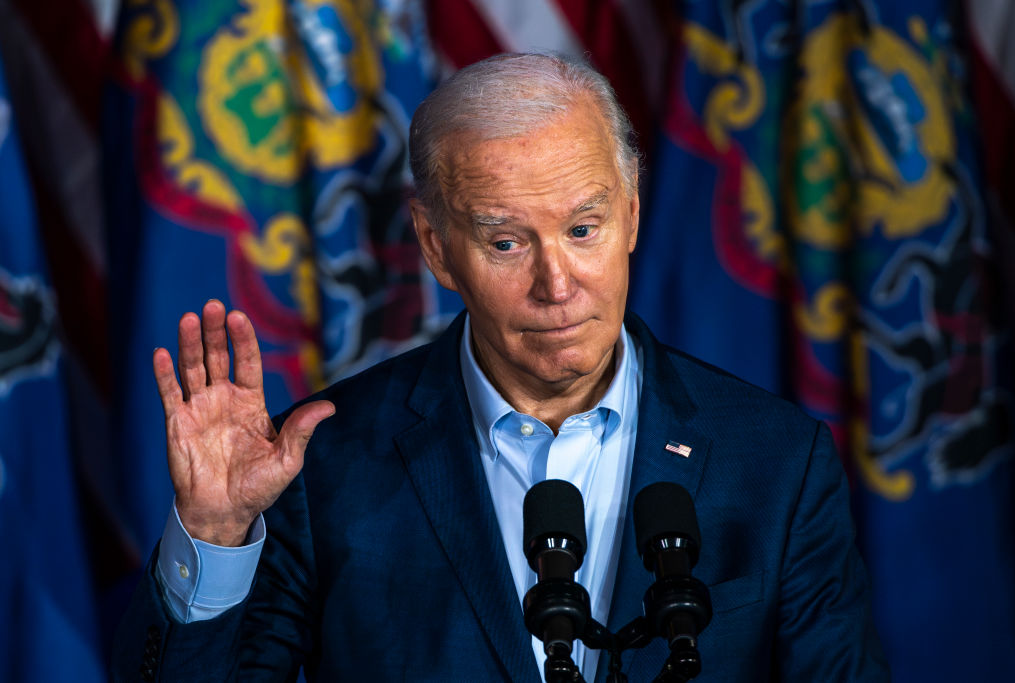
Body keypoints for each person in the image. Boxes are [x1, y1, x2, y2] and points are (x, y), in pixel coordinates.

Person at [113, 53, 889, 682]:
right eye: (507, 243)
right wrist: (216, 531)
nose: (558, 285)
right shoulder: (324, 467)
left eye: (583, 228)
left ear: (632, 214)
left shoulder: (779, 461)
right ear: (436, 247)